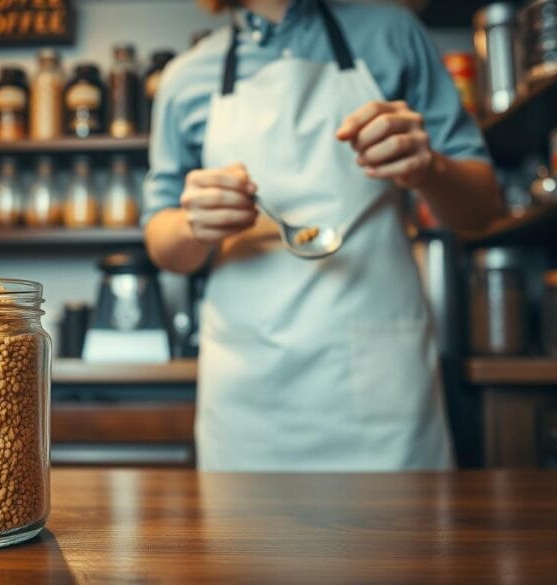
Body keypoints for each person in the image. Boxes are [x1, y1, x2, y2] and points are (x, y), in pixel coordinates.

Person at [143, 0, 503, 471]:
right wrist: (194, 225)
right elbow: (163, 244)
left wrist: (428, 166)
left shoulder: (394, 33)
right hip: (249, 390)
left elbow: (481, 209)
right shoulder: (186, 78)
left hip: (380, 384)